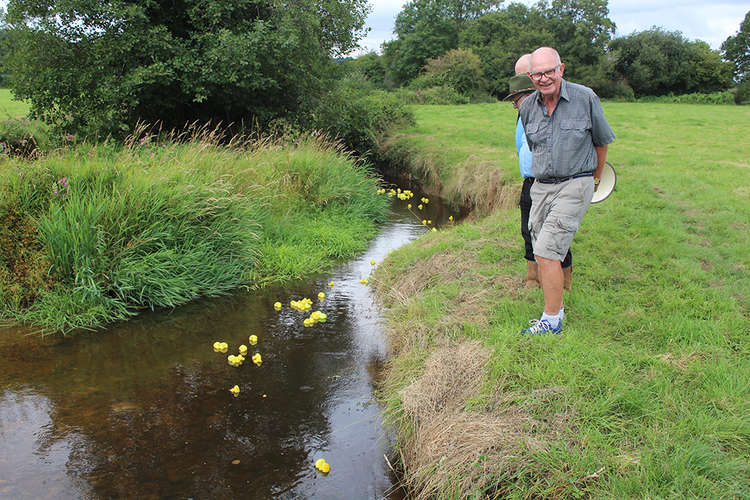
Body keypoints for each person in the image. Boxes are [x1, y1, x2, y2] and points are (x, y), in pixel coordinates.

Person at [518, 47, 615, 334]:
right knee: (540, 246)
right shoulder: (526, 107)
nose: (544, 78)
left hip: (577, 182)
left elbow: (602, 141)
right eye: (538, 73)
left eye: (550, 71)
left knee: (548, 250)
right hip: (542, 186)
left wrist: (593, 180)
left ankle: (552, 320)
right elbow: (535, 148)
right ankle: (556, 305)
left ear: (561, 69)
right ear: (530, 76)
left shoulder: (585, 98)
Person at [506, 54, 573, 289]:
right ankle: (532, 279)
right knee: (528, 229)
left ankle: (564, 283)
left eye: (519, 98)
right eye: (514, 101)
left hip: (554, 179)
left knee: (557, 231)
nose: (516, 104)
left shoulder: (555, 109)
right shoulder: (523, 114)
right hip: (530, 180)